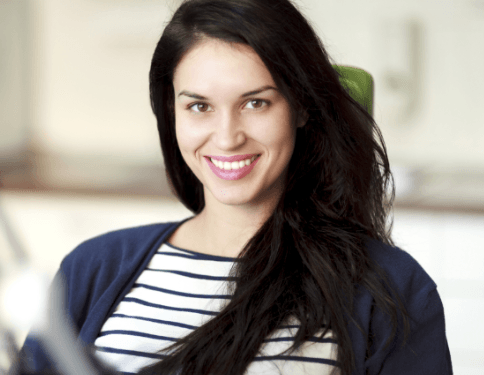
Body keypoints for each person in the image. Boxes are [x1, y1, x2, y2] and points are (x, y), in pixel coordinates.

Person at [17, 0, 453, 374]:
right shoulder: (93, 267)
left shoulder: (392, 288)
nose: (227, 137)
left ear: (301, 106)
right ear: (172, 114)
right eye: (199, 106)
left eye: (255, 102)